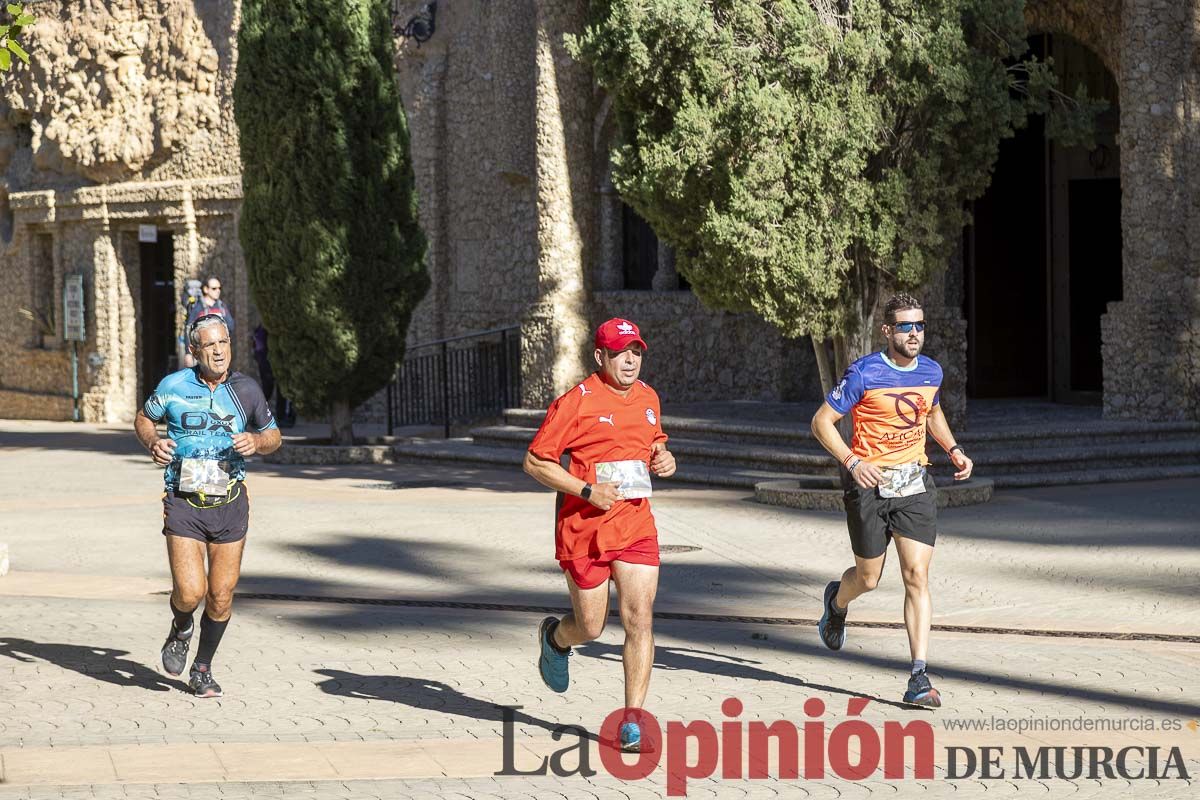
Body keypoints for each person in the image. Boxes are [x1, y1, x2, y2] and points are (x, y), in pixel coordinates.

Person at [810, 293, 973, 707]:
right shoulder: (864, 374)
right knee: (868, 578)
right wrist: (851, 460)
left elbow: (931, 411)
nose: (914, 333)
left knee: (916, 575)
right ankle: (836, 601)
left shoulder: (931, 371)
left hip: (914, 482)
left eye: (919, 325)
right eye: (905, 326)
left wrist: (953, 449)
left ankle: (919, 676)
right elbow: (821, 422)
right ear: (887, 330)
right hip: (868, 484)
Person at [523, 318, 677, 752]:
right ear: (600, 356)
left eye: (637, 352)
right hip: (584, 531)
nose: (630, 360)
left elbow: (654, 444)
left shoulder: (649, 398)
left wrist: (664, 459)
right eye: (621, 352)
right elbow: (535, 462)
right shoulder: (576, 402)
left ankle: (633, 720)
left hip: (635, 526)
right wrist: (587, 490)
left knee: (639, 619)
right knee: (591, 626)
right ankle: (555, 639)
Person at [134, 313, 281, 698]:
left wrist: (257, 442)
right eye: (210, 345)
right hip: (184, 501)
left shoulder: (246, 389)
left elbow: (273, 435)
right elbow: (144, 418)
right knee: (189, 591)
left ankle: (202, 668)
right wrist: (153, 442)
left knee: (220, 594)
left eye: (224, 343)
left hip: (230, 502)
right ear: (194, 351)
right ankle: (181, 626)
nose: (219, 351)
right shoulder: (173, 386)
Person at [183, 276, 234, 368]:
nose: (218, 291)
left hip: (218, 351)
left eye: (219, 288)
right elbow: (188, 329)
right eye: (214, 288)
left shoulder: (221, 307)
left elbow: (230, 326)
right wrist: (188, 354)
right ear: (206, 289)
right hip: (202, 353)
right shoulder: (198, 308)